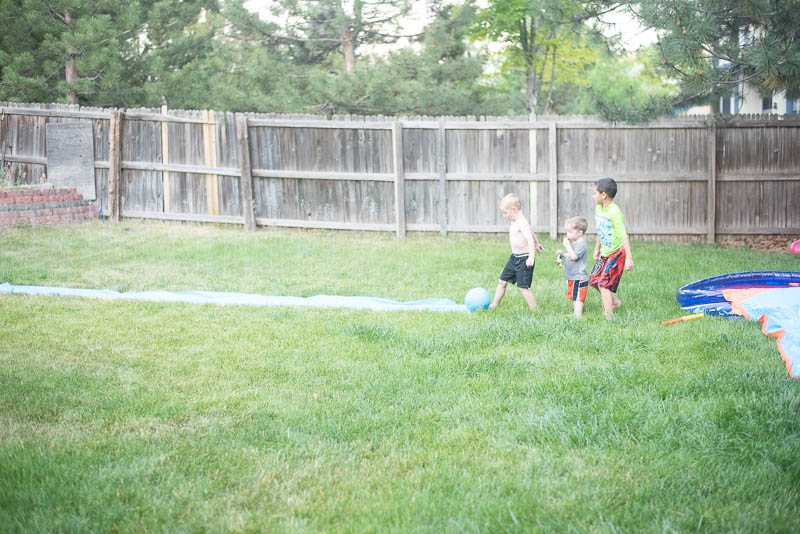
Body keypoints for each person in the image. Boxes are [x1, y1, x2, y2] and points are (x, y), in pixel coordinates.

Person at [490, 193, 545, 311]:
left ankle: (535, 310)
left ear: (514, 210)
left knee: (522, 287)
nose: (504, 216)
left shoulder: (521, 222)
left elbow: (529, 237)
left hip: (524, 259)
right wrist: (537, 243)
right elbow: (531, 232)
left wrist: (531, 256)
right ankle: (494, 305)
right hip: (514, 258)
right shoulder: (515, 221)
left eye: (505, 212)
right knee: (502, 281)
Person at [589, 178, 634, 318]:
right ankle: (614, 302)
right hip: (604, 252)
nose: (593, 196)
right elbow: (600, 230)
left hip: (616, 253)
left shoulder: (615, 212)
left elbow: (623, 236)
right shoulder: (598, 208)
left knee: (603, 284)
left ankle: (608, 315)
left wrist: (629, 259)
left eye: (594, 193)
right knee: (594, 280)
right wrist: (597, 248)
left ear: (603, 195)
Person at [556, 216, 589, 317]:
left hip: (578, 277)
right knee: (575, 295)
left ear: (579, 233)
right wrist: (563, 254)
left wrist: (567, 245)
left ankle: (577, 315)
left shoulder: (581, 245)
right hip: (572, 276)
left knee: (578, 296)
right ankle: (575, 313)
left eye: (570, 232)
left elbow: (575, 257)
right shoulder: (575, 243)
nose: (567, 234)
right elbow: (571, 256)